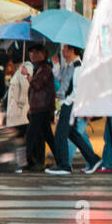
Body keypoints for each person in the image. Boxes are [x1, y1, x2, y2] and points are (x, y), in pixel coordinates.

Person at [48, 45, 100, 175]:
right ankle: (93, 159)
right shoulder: (70, 65)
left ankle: (64, 165)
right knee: (72, 134)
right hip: (67, 104)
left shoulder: (78, 67)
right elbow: (63, 80)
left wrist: (67, 102)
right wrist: (56, 66)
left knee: (60, 134)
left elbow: (77, 89)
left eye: (65, 49)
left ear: (72, 51)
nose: (62, 51)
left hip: (70, 104)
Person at [24, 45, 57, 172]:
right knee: (48, 136)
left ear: (43, 54)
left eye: (37, 53)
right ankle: (61, 160)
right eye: (31, 52)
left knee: (30, 136)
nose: (33, 55)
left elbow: (37, 85)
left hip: (41, 108)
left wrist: (27, 75)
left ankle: (24, 162)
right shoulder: (39, 68)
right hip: (39, 107)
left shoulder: (45, 68)